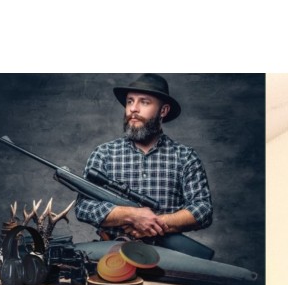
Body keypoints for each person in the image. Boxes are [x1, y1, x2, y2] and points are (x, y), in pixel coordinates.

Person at [74, 75, 212, 241]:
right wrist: (131, 215)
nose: (133, 109)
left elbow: (203, 210)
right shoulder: (104, 153)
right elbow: (83, 207)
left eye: (144, 102)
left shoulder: (185, 157)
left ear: (163, 110)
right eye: (130, 101)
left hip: (166, 254)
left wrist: (154, 223)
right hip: (113, 252)